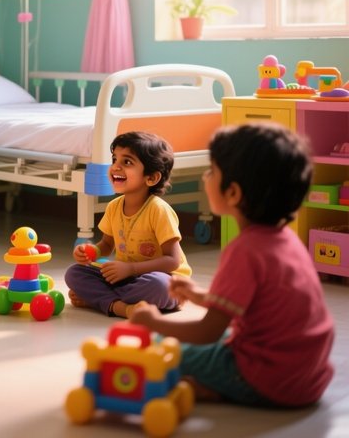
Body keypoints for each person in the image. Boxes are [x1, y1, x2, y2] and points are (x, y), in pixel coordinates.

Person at [130, 123, 334, 407]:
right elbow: (250, 307)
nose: (205, 176)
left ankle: (222, 387)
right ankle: (216, 387)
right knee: (230, 334)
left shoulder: (245, 250)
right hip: (308, 377)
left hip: (270, 379)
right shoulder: (285, 239)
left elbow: (208, 331)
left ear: (234, 193)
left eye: (212, 170)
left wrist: (156, 323)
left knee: (164, 352)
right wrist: (199, 295)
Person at [65, 131, 191, 318]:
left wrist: (130, 269)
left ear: (151, 178)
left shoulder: (158, 210)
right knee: (74, 273)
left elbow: (172, 261)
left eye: (127, 162)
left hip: (163, 278)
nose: (115, 167)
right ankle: (122, 306)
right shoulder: (114, 207)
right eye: (115, 159)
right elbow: (107, 245)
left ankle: (102, 300)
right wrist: (91, 252)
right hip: (127, 278)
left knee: (159, 286)